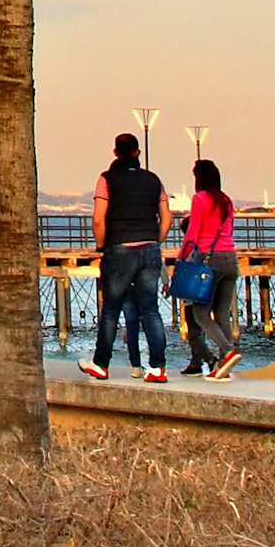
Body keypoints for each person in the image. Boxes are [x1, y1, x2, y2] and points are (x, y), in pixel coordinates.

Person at [85, 132, 169, 384]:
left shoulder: (106, 179)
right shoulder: (154, 180)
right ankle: (157, 368)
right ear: (137, 152)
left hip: (119, 249)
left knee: (111, 309)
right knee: (150, 309)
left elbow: (99, 218)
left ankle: (101, 364)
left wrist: (101, 245)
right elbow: (167, 218)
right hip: (150, 249)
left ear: (115, 153)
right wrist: (155, 240)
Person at [174, 156, 242, 379]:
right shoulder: (227, 201)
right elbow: (228, 232)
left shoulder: (200, 199)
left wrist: (180, 260)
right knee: (222, 312)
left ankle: (228, 351)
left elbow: (192, 234)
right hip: (231, 259)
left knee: (201, 314)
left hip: (209, 261)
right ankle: (224, 361)